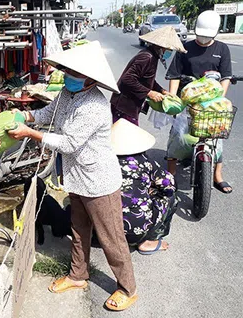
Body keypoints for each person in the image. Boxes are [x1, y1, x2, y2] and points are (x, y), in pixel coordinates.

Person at [9, 41, 138, 311]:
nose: (68, 76)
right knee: (78, 229)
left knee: (110, 237)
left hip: (99, 180)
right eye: (67, 71)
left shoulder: (93, 105)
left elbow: (69, 143)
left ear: (90, 78)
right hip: (76, 176)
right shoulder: (67, 93)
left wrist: (31, 133)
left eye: (74, 73)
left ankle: (128, 288)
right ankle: (78, 275)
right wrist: (24, 115)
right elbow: (47, 113)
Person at [165, 10, 233, 193]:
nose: (203, 39)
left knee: (217, 137)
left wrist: (220, 99)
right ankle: (171, 174)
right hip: (188, 99)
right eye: (200, 35)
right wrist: (173, 99)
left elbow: (226, 77)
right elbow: (175, 75)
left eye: (207, 36)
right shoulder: (185, 48)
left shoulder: (222, 49)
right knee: (177, 135)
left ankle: (218, 175)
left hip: (211, 101)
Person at [111, 119, 178, 254]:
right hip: (133, 230)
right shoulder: (144, 161)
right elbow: (169, 185)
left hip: (102, 227)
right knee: (170, 198)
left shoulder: (101, 160)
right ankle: (146, 241)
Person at [110, 26, 187, 126]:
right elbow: (127, 79)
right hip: (124, 105)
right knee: (125, 138)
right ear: (161, 47)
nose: (170, 52)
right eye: (168, 49)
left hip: (131, 105)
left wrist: (162, 91)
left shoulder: (153, 57)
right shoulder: (147, 57)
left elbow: (148, 79)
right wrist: (149, 93)